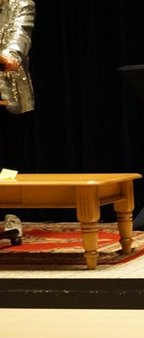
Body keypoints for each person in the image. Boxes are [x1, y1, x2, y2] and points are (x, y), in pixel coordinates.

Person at [0, 0, 34, 237]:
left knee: (9, 159)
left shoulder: (21, 3)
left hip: (8, 90)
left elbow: (20, 32)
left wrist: (10, 54)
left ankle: (11, 215)